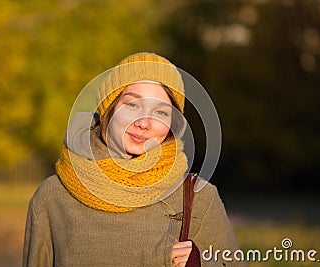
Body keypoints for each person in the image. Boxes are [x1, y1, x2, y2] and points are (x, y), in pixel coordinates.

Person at [23, 52, 247, 266]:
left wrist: (200, 264)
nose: (144, 122)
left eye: (161, 112)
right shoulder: (52, 196)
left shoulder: (197, 197)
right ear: (108, 107)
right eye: (132, 105)